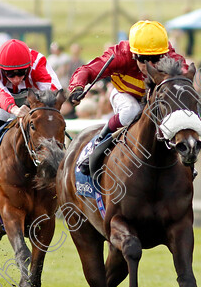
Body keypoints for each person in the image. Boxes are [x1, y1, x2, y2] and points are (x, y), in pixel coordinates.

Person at [68, 20, 189, 174]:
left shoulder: (171, 57)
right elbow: (88, 70)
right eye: (143, 59)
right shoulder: (120, 54)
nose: (150, 65)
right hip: (124, 93)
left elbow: (185, 75)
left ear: (164, 54)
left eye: (156, 58)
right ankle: (99, 143)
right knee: (131, 111)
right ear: (133, 54)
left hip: (153, 98)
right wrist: (77, 87)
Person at [0, 38, 61, 173]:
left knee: (46, 116)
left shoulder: (38, 62)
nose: (16, 79)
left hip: (31, 93)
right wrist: (13, 109)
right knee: (1, 113)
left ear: (29, 66)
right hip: (1, 92)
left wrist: (38, 108)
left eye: (21, 73)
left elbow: (52, 91)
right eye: (10, 74)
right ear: (2, 69)